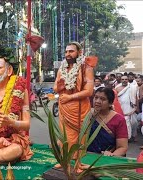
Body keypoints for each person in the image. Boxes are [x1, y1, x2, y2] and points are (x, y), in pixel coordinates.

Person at [53, 42, 96, 170]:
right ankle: (64, 160)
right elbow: (55, 87)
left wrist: (70, 97)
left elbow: (89, 91)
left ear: (79, 52)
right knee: (64, 135)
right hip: (64, 107)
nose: (68, 54)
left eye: (71, 51)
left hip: (79, 108)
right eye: (66, 52)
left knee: (79, 136)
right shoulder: (62, 68)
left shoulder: (86, 68)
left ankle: (78, 164)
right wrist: (59, 87)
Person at [88, 87, 128, 157]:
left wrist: (112, 155)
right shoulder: (87, 115)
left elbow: (122, 147)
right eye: (96, 97)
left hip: (106, 160)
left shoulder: (119, 119)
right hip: (87, 156)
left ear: (110, 103)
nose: (97, 101)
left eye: (102, 99)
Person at [116, 75, 138, 141]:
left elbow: (136, 97)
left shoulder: (132, 87)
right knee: (125, 123)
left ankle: (133, 135)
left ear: (128, 80)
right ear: (121, 80)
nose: (124, 80)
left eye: (126, 79)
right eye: (123, 79)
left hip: (131, 108)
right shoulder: (117, 88)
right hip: (121, 108)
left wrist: (136, 106)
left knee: (134, 123)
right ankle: (127, 137)